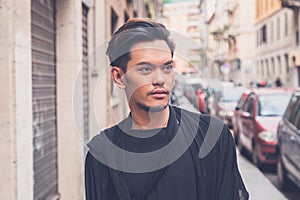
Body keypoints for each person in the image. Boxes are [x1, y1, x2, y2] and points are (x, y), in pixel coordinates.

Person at [85, 18, 249, 200]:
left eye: (167, 67)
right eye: (146, 69)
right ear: (119, 77)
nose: (160, 79)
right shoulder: (102, 154)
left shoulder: (212, 137)